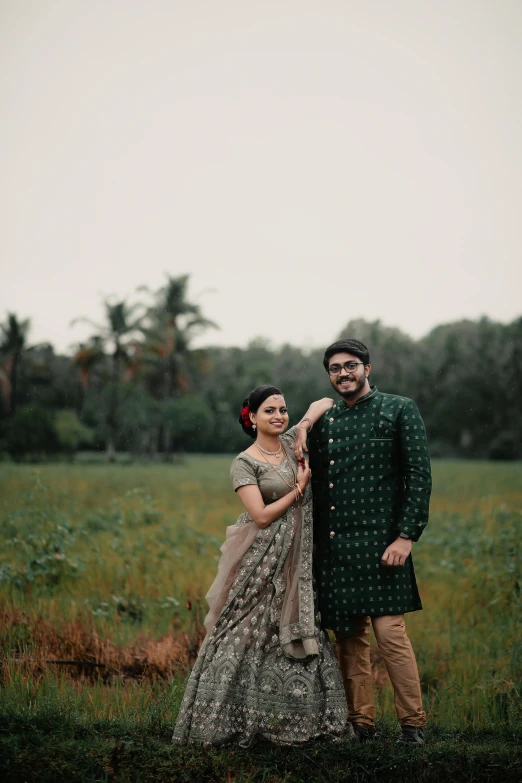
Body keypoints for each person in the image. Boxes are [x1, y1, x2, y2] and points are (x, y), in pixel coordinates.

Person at [173, 385, 351, 747]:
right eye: (269, 411)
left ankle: (299, 722)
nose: (278, 416)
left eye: (282, 409)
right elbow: (261, 515)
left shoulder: (290, 443)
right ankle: (229, 718)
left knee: (298, 627)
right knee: (243, 629)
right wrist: (299, 487)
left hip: (298, 559)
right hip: (262, 557)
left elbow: (325, 401)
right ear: (251, 418)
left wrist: (301, 427)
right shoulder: (245, 462)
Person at [295, 339, 432, 746]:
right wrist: (304, 423)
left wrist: (406, 536)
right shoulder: (325, 421)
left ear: (367, 368)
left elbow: (418, 476)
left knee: (391, 636)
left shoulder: (399, 409)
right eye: (335, 368)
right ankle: (361, 725)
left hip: (385, 546)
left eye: (351, 365)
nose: (343, 373)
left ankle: (413, 725)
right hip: (336, 549)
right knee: (349, 639)